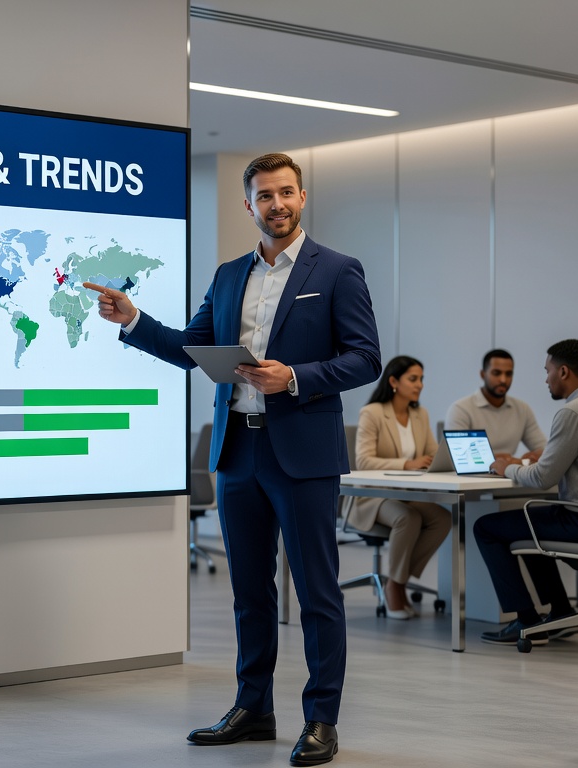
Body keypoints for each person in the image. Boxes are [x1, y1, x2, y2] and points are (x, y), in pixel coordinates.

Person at [84, 152, 380, 767]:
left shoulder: (340, 271)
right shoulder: (227, 276)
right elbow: (192, 349)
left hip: (300, 452)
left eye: (286, 193)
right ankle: (254, 707)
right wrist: (134, 319)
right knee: (250, 592)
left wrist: (293, 376)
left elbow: (365, 358)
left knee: (318, 593)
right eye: (264, 196)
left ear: (303, 198)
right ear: (249, 205)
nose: (276, 205)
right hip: (238, 450)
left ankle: (321, 718)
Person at [475, 339, 578, 645]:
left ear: (563, 371)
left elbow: (541, 477)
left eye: (547, 370)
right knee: (531, 523)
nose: (545, 378)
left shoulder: (574, 412)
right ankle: (561, 613)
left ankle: (525, 620)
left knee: (486, 528)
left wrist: (504, 466)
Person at [348, 356, 451, 619]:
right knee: (408, 518)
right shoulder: (372, 413)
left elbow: (430, 452)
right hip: (370, 496)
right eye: (413, 379)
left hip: (405, 493)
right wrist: (408, 463)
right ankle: (396, 586)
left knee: (442, 518)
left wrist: (435, 460)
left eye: (421, 379)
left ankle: (399, 578)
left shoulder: (420, 414)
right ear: (394, 381)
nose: (420, 385)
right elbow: (363, 460)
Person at [445, 349, 546, 462]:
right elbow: (459, 457)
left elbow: (545, 450)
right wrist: (495, 459)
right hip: (471, 478)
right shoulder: (461, 409)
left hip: (509, 476)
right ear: (483, 374)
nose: (503, 380)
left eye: (508, 374)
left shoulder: (522, 409)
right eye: (496, 373)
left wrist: (534, 456)